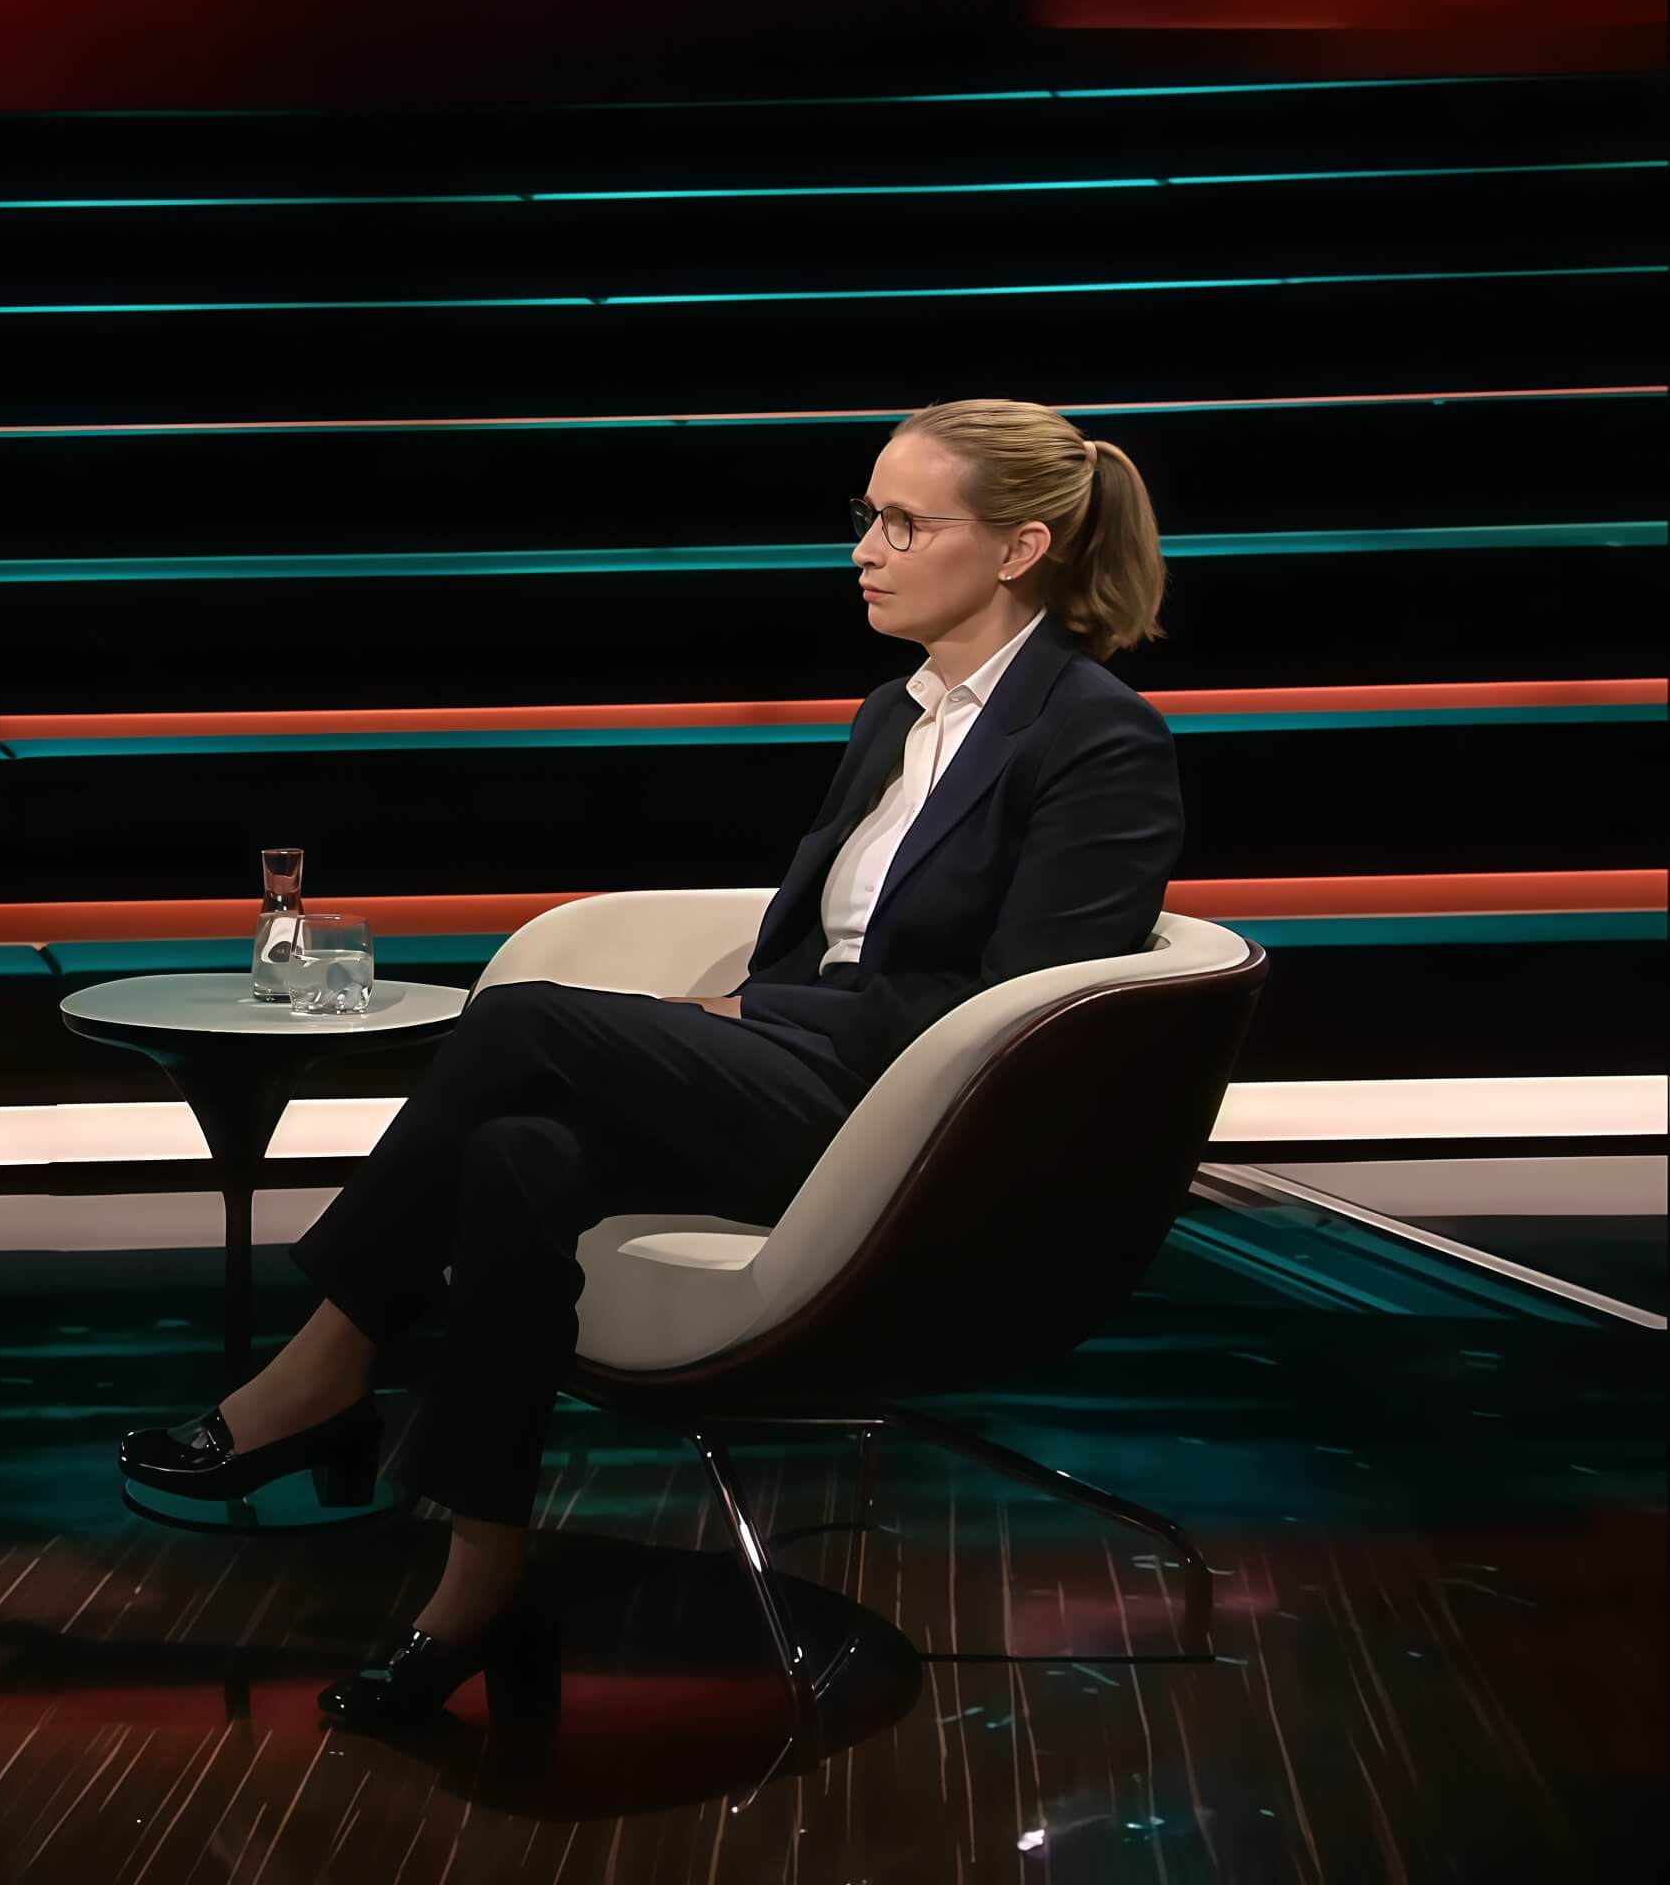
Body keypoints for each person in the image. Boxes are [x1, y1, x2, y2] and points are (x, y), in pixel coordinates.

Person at [117, 397, 1184, 1728]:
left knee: (521, 1020)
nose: (865, 549)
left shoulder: (1096, 739)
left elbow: (1023, 1015)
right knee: (516, 1156)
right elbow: (831, 944)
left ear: (1020, 548)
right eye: (865, 516)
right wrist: (743, 1010)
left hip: (909, 1130)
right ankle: (478, 1583)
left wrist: (762, 1023)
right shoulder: (895, 714)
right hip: (803, 1073)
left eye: (905, 524)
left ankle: (326, 1363)